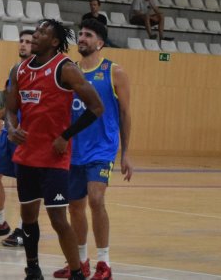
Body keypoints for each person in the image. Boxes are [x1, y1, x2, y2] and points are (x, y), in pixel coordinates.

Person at [5, 20, 105, 280]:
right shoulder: (19, 69)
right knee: (28, 217)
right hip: (26, 157)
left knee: (59, 219)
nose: (34, 36)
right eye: (35, 31)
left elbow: (96, 107)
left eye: (41, 33)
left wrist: (65, 136)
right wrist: (11, 128)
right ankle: (33, 269)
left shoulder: (66, 69)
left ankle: (76, 273)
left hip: (54, 159)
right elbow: (9, 109)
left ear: (53, 41)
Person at [51, 19, 132, 280]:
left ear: (100, 42)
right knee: (75, 207)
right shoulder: (70, 71)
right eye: (81, 34)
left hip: (102, 148)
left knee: (96, 199)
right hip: (74, 149)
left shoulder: (114, 71)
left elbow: (125, 113)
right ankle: (81, 261)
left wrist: (126, 153)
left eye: (88, 35)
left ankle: (104, 263)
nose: (82, 38)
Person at [0, 29, 35, 246]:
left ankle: (24, 228)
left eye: (28, 42)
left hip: (27, 134)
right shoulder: (15, 70)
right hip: (9, 130)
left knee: (26, 183)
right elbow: (10, 104)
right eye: (21, 41)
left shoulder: (40, 72)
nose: (23, 45)